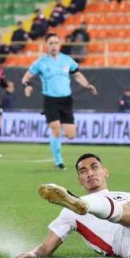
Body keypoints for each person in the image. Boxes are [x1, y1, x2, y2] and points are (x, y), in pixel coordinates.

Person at [21, 33, 98, 169]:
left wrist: (87, 85)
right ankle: (59, 161)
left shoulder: (67, 60)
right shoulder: (41, 63)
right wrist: (27, 87)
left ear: (59, 44)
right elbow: (25, 77)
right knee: (56, 130)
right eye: (51, 43)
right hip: (50, 99)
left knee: (71, 135)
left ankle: (56, 135)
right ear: (46, 45)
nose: (54, 45)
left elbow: (77, 74)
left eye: (56, 42)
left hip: (66, 100)